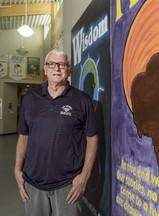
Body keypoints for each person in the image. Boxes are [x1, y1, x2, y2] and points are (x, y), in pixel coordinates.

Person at [14, 49, 99, 216]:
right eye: (51, 64)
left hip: (68, 184)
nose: (56, 68)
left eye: (62, 64)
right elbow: (23, 136)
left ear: (69, 70)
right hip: (33, 181)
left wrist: (84, 176)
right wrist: (17, 170)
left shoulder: (82, 100)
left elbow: (92, 138)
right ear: (45, 69)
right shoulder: (30, 99)